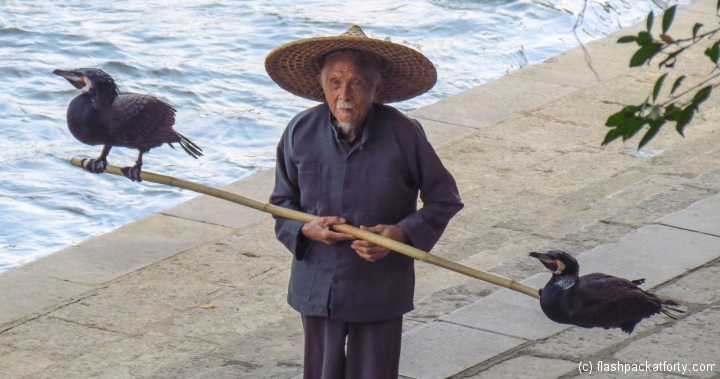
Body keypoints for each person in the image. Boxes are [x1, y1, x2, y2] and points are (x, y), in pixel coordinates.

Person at [265, 25, 463, 379]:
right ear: (322, 86)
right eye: (335, 83)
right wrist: (306, 229)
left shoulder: (404, 133)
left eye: (356, 83)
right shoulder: (299, 130)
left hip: (379, 285)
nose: (345, 94)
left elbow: (443, 199)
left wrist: (399, 235)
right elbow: (281, 204)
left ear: (377, 88)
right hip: (317, 281)